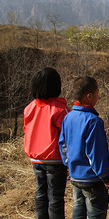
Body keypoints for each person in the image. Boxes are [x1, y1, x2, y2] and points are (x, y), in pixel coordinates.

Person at [59, 76, 109, 219]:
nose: (98, 96)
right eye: (97, 93)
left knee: (78, 209)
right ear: (89, 96)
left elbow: (63, 145)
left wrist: (69, 164)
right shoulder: (93, 121)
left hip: (75, 175)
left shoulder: (68, 117)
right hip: (92, 178)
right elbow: (96, 153)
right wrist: (106, 177)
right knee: (95, 211)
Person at [24, 67, 70, 219]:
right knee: (55, 197)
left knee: (40, 194)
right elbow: (68, 135)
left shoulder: (29, 108)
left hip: (35, 159)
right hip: (55, 160)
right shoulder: (60, 109)